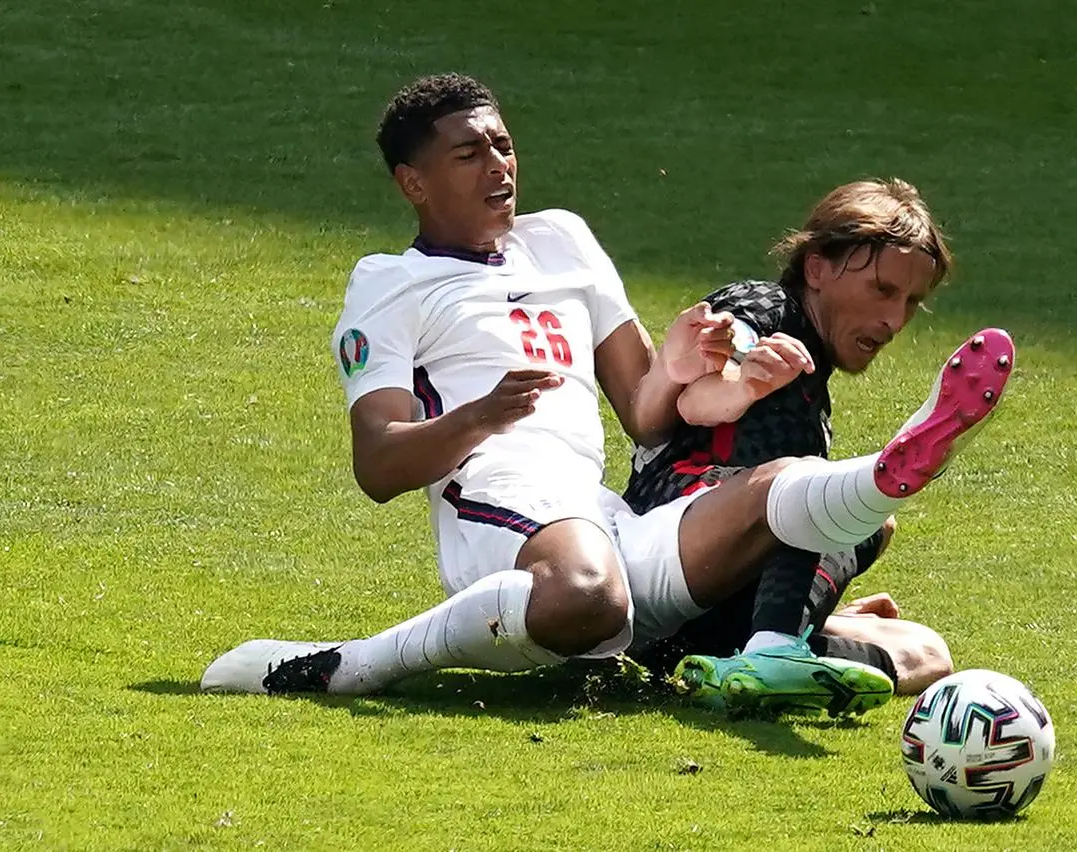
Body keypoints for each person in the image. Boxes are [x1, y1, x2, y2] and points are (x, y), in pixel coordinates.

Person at [199, 74, 1014, 715]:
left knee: (784, 491)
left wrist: (703, 372)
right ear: (413, 182)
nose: (499, 166)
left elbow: (645, 411)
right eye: (469, 154)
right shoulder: (390, 284)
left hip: (601, 511)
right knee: (591, 595)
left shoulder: (563, 241)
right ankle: (353, 664)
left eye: (505, 145)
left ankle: (864, 511)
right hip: (498, 498)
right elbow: (377, 463)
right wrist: (483, 413)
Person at [626, 180, 971, 714]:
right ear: (816, 268)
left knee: (927, 654)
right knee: (837, 501)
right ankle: (774, 650)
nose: (895, 321)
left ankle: (762, 651)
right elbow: (701, 393)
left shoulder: (814, 387)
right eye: (882, 290)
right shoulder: (764, 307)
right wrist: (744, 382)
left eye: (911, 302)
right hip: (675, 538)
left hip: (708, 618)